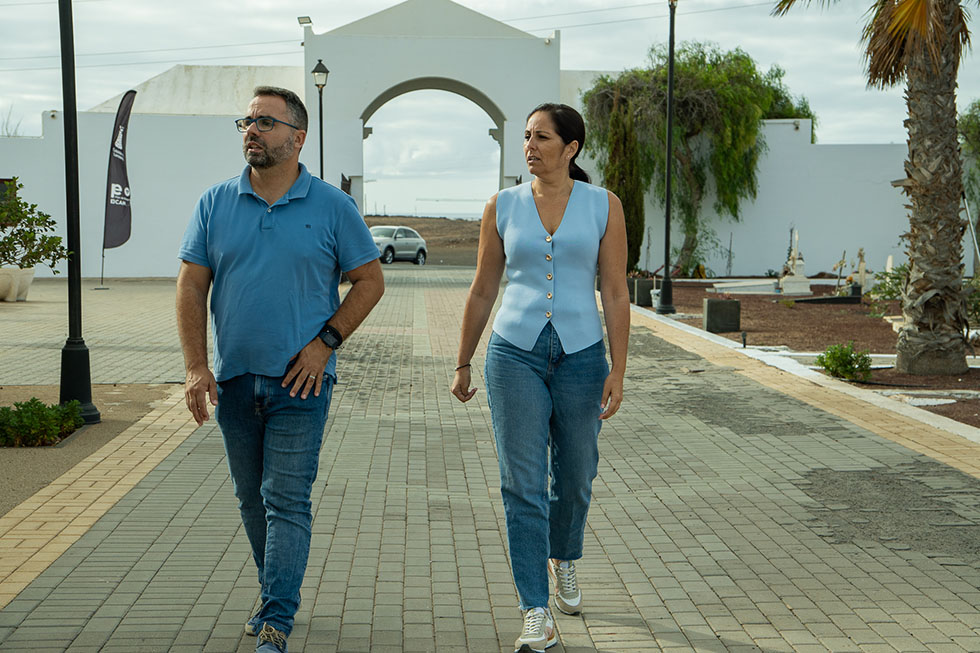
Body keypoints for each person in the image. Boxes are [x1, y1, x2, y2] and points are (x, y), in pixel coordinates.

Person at [176, 86, 384, 653]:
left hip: (302, 381)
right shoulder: (215, 203)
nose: (252, 130)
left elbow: (371, 281)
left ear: (298, 137)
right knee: (252, 499)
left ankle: (275, 619)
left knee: (285, 498)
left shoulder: (333, 207)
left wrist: (325, 344)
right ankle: (275, 592)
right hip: (235, 379)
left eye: (266, 122)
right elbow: (192, 285)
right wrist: (196, 366)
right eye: (247, 121)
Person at [450, 103, 629, 653]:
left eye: (542, 137)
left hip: (582, 357)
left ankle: (564, 556)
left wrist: (619, 369)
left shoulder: (604, 205)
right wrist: (462, 360)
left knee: (575, 476)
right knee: (521, 484)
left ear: (571, 148)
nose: (529, 145)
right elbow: (484, 288)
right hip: (514, 355)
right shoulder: (501, 206)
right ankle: (535, 610)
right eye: (526, 136)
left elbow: (615, 290)